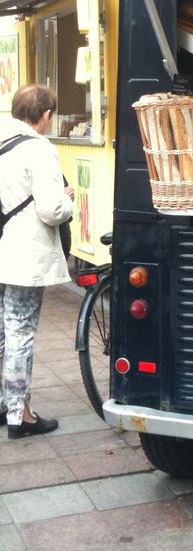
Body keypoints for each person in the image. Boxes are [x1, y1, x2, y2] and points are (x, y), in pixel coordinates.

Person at [0, 84, 74, 439]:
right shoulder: (39, 149)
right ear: (45, 116)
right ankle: (20, 414)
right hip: (23, 256)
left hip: (1, 248)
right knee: (19, 333)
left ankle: (3, 405)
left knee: (1, 333)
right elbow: (50, 210)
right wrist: (68, 200)